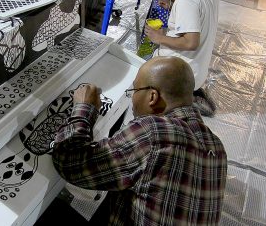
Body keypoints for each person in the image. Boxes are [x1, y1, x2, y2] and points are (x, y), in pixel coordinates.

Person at [52, 56, 228, 225]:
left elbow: (69, 162)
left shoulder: (152, 132)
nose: (133, 99)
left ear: (152, 97)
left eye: (134, 91)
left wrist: (84, 107)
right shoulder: (217, 146)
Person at [144, 0, 220, 116]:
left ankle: (183, 98)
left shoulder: (186, 0)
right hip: (199, 71)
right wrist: (174, 7)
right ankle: (188, 92)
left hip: (184, 73)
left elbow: (191, 43)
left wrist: (158, 38)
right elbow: (198, 14)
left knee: (143, 78)